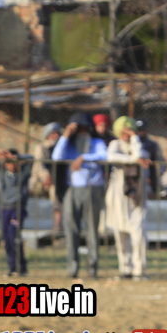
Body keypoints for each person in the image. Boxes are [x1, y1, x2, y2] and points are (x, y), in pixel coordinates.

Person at [52, 112, 109, 279]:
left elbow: (104, 155)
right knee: (71, 230)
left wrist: (83, 157)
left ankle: (93, 267)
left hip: (93, 189)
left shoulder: (97, 142)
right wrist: (66, 135)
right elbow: (56, 156)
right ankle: (73, 267)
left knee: (92, 229)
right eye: (79, 129)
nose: (83, 132)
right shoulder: (69, 145)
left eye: (86, 128)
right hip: (72, 189)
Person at [106, 116, 150, 280]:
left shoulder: (139, 145)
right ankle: (125, 268)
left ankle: (139, 270)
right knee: (120, 234)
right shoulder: (115, 144)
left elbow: (139, 154)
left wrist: (134, 138)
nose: (126, 134)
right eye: (123, 131)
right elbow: (112, 157)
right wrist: (133, 160)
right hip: (118, 195)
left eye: (129, 131)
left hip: (137, 195)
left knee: (139, 233)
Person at [0, 147, 34, 277]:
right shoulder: (1, 171)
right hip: (5, 208)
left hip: (18, 208)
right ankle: (12, 268)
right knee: (6, 239)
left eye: (12, 162)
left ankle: (21, 267)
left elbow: (31, 158)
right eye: (7, 162)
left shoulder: (24, 172)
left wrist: (16, 157)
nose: (9, 165)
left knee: (14, 237)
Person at [32, 122, 63, 231]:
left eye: (57, 133)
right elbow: (39, 165)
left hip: (59, 179)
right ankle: (57, 225)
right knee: (55, 195)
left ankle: (58, 226)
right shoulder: (41, 147)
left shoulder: (62, 146)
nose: (56, 136)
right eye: (53, 133)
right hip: (43, 179)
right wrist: (46, 175)